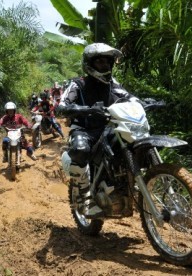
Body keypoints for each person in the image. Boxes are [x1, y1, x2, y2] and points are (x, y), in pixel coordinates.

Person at [56, 43, 140, 218]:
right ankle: (82, 197)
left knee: (132, 143)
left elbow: (129, 97)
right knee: (80, 149)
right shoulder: (78, 84)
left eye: (108, 62)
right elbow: (62, 106)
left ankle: (129, 184)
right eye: (100, 62)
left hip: (108, 128)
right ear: (89, 64)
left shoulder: (113, 84)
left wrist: (143, 102)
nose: (105, 66)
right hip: (84, 130)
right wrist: (85, 109)